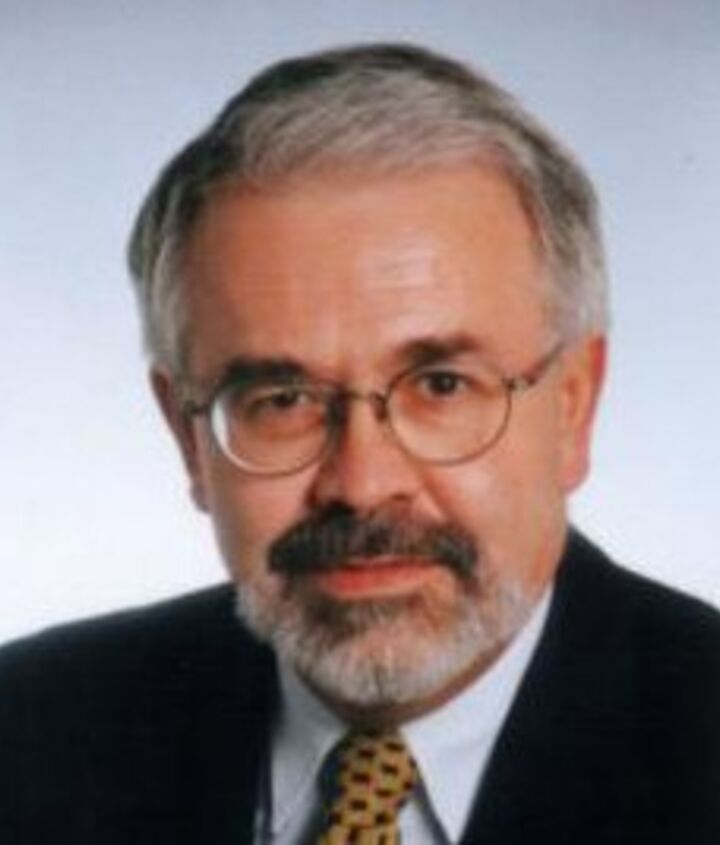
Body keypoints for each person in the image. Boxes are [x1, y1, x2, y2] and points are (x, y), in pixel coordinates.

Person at [1, 43, 718, 845]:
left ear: (573, 408)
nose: (362, 482)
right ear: (188, 437)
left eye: (441, 385)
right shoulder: (27, 730)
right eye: (283, 400)